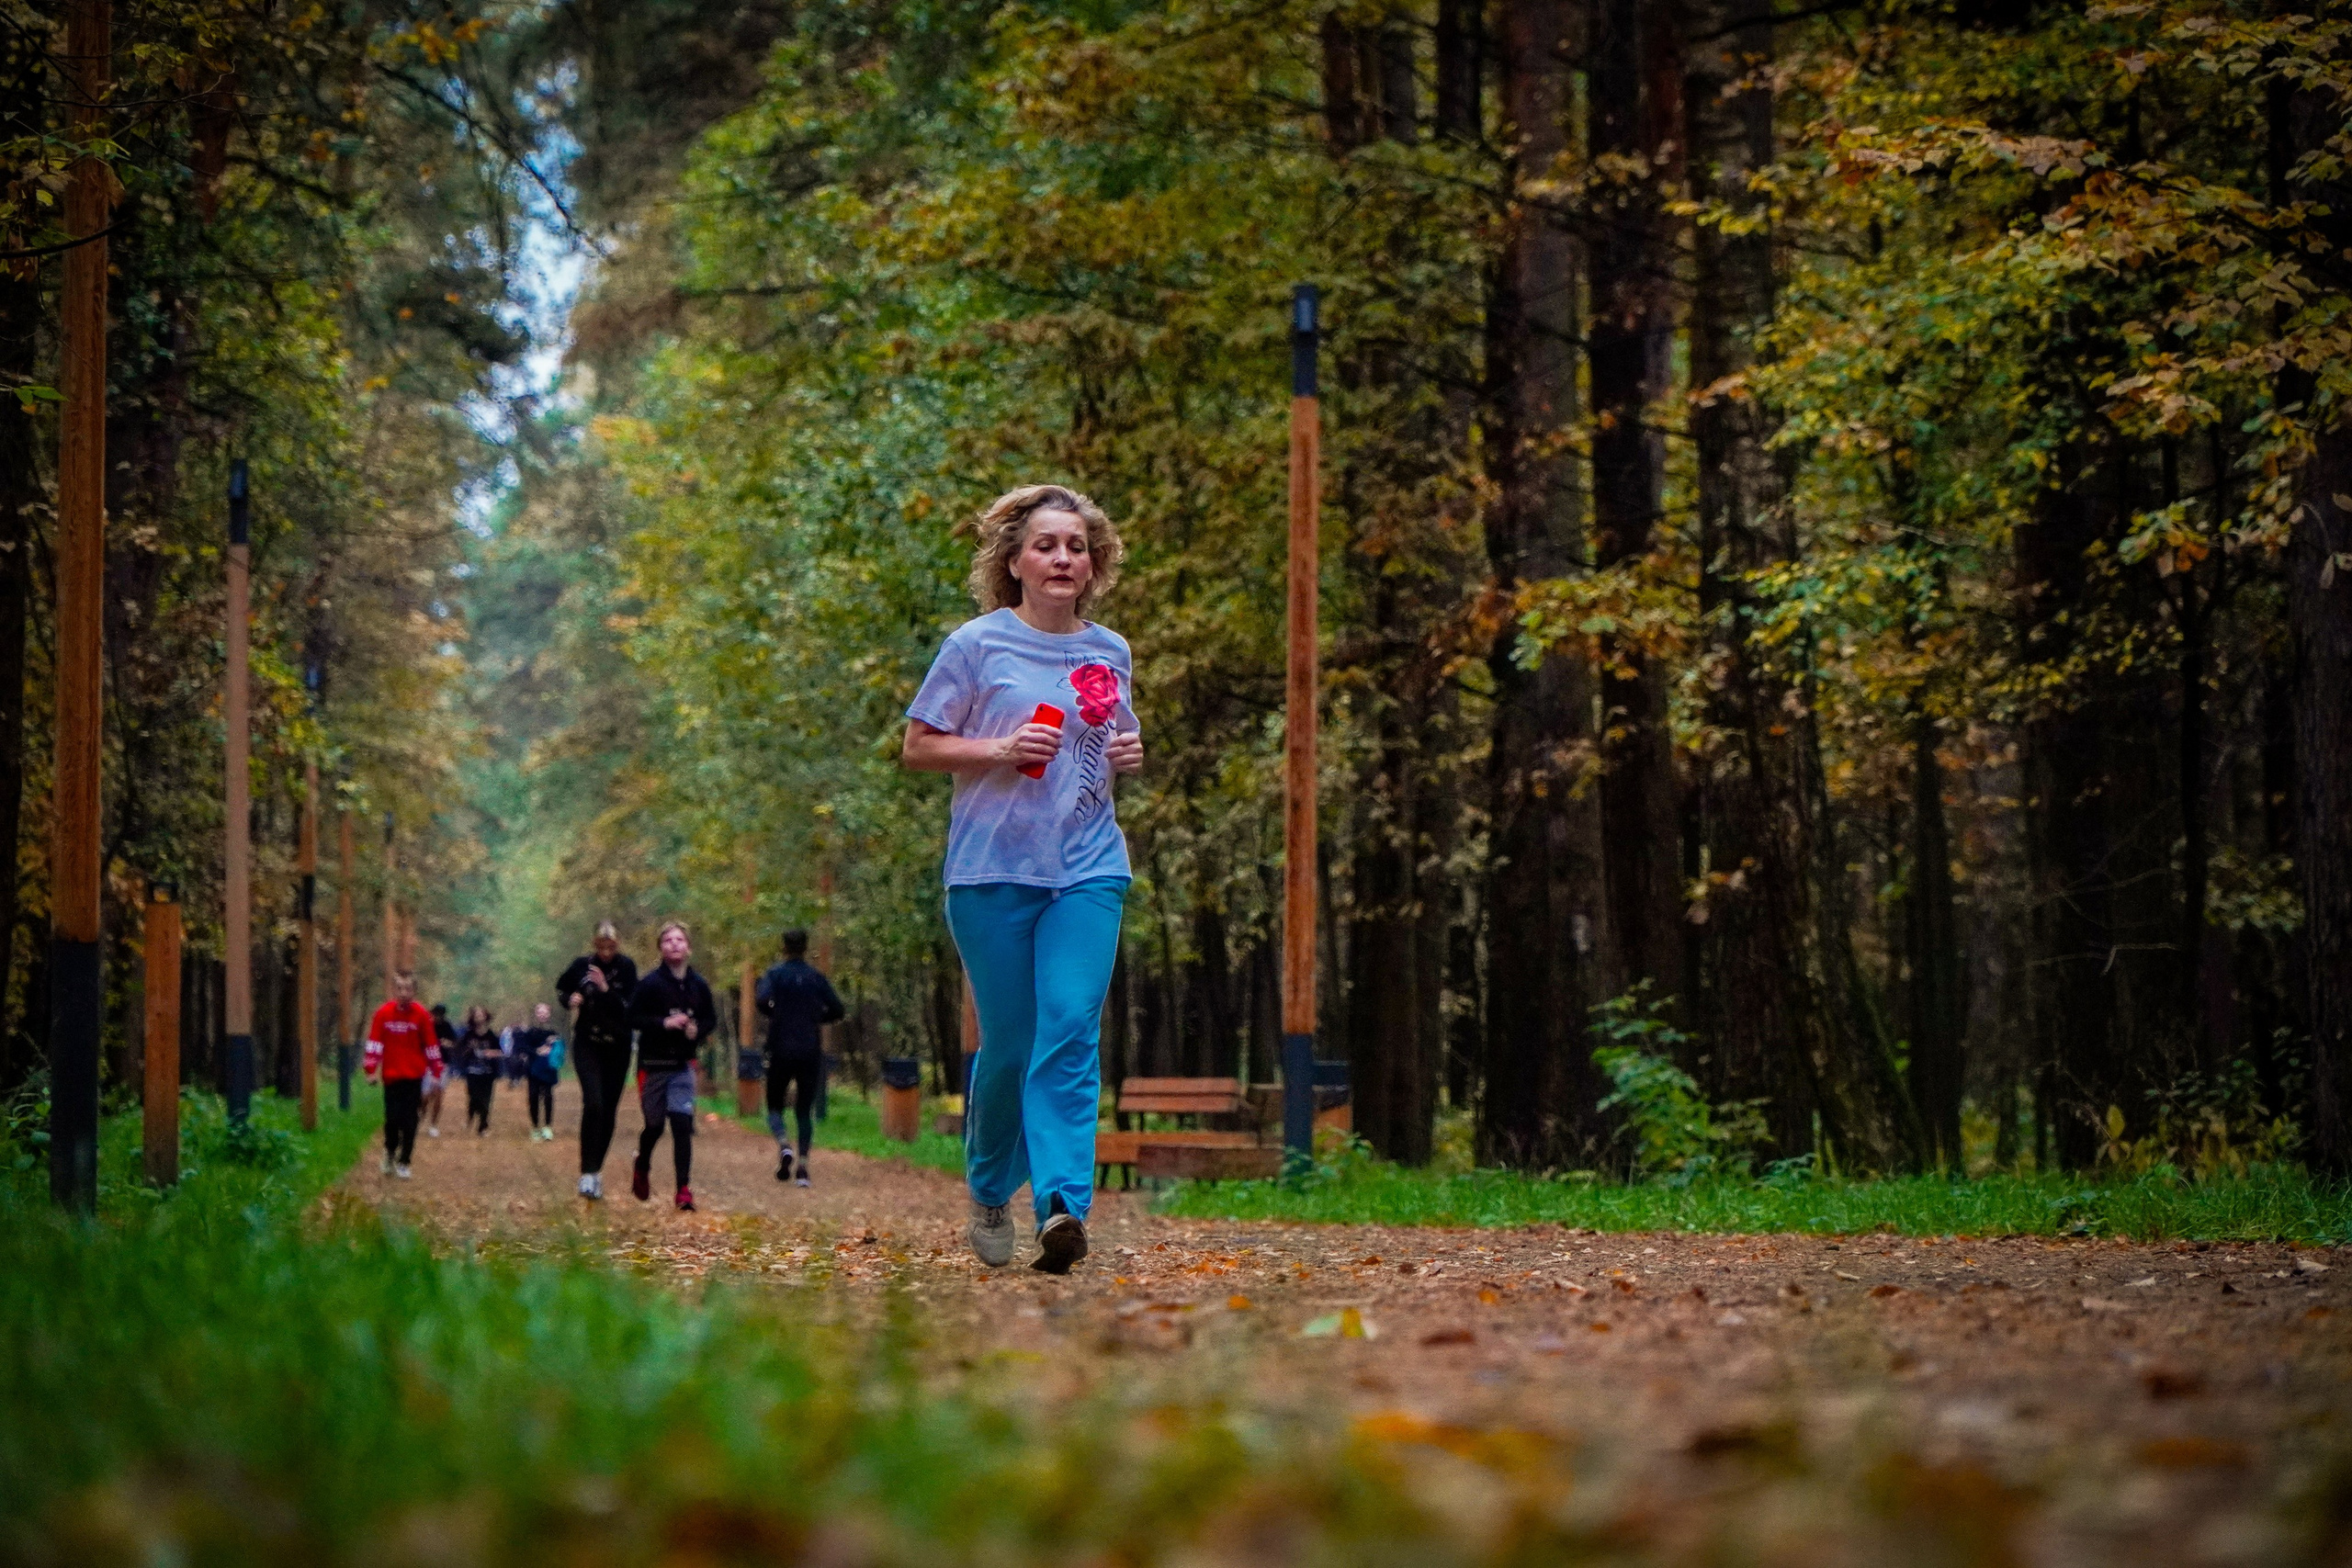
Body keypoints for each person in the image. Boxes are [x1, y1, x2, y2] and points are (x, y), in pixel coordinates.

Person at [902, 483, 1142, 1274]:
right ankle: (988, 1186)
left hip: (1088, 865)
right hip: (991, 870)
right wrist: (998, 751)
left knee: (1070, 1027)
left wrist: (1126, 755)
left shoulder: (1110, 651)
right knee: (1009, 1044)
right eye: (1047, 544)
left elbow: (1110, 741)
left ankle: (1064, 1205)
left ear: (1094, 561)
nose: (1063, 558)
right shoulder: (976, 645)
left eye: (1076, 546)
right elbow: (919, 746)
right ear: (1014, 561)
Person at [628, 920, 717, 1212]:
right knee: (653, 1126)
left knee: (681, 1123)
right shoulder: (650, 984)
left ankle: (683, 1190)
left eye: (680, 939)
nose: (675, 944)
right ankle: (642, 1166)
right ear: (661, 948)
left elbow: (709, 1019)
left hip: (682, 1066)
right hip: (653, 1066)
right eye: (668, 940)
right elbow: (631, 1018)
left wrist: (697, 1031)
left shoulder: (698, 985)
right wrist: (663, 1023)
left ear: (688, 948)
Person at [755, 928, 844, 1186]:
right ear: (806, 948)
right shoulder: (816, 978)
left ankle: (784, 1144)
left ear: (783, 947)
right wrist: (817, 1018)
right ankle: (803, 1168)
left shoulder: (775, 975)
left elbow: (762, 1000)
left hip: (780, 1047)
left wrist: (776, 1014)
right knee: (804, 1110)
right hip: (809, 1048)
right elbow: (838, 1009)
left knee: (774, 1105)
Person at [560, 922, 639, 1200]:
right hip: (587, 1042)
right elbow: (562, 988)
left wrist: (605, 990)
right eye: (600, 946)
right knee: (593, 1102)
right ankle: (585, 1171)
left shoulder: (627, 969)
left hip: (617, 1046)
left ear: (618, 944)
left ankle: (596, 1171)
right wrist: (570, 998)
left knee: (607, 1110)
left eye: (611, 946)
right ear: (594, 943)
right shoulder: (582, 965)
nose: (605, 951)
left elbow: (630, 1009)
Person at [363, 971, 444, 1179]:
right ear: (394, 990)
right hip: (391, 1076)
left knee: (410, 1119)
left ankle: (405, 1160)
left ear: (414, 991)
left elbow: (431, 1044)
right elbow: (375, 1042)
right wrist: (371, 1070)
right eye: (399, 988)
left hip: (414, 1076)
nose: (404, 993)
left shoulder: (421, 1015)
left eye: (408, 989)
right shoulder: (383, 1013)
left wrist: (436, 1071)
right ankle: (390, 1151)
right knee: (392, 1119)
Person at [519, 1001, 563, 1141]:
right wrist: (537, 1051)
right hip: (532, 1070)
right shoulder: (530, 1032)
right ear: (536, 1014)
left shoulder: (553, 1033)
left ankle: (548, 1127)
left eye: (545, 1012)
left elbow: (559, 1051)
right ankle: (535, 1127)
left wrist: (553, 1046)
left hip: (548, 1070)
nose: (542, 1015)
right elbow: (523, 1048)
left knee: (548, 1097)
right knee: (533, 1097)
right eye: (540, 1012)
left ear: (549, 1014)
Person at [458, 1006, 503, 1134]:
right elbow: (460, 1050)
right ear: (472, 1018)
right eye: (476, 1015)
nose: (479, 1017)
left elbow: (500, 1052)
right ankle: (471, 1115)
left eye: (481, 1014)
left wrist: (491, 1053)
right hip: (472, 1072)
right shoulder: (468, 1035)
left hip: (488, 1073)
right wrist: (468, 1051)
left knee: (486, 1099)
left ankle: (483, 1125)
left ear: (486, 1017)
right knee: (474, 1098)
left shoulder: (491, 1035)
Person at [422, 1002, 456, 1137]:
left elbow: (454, 1041)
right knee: (425, 1095)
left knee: (438, 1094)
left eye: (440, 1015)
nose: (437, 1017)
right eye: (436, 1014)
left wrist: (447, 1043)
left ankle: (434, 1124)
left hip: (442, 1063)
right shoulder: (426, 1025)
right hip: (426, 1063)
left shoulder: (447, 1026)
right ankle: (421, 1113)